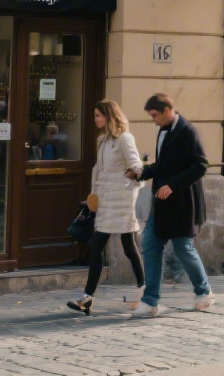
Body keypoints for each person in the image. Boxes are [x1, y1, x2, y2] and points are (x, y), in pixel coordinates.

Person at [128, 93, 214, 317]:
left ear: (167, 110)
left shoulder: (187, 131)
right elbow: (163, 165)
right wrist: (141, 173)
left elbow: (201, 166)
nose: (153, 120)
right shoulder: (164, 130)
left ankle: (204, 292)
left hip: (182, 203)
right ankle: (150, 302)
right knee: (150, 246)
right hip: (162, 203)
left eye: (155, 115)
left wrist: (172, 185)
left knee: (183, 249)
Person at [67, 99, 144, 315]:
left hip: (121, 201)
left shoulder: (124, 139)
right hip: (104, 201)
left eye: (98, 116)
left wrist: (133, 179)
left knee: (127, 248)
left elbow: (136, 166)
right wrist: (93, 197)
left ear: (109, 116)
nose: (95, 120)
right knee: (100, 248)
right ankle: (88, 298)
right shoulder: (102, 140)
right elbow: (99, 170)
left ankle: (143, 292)